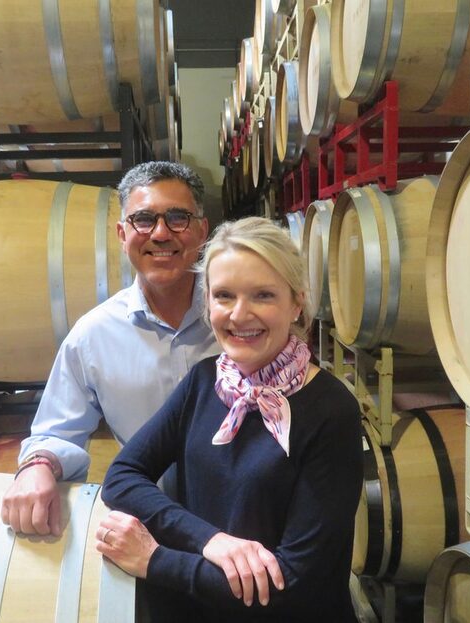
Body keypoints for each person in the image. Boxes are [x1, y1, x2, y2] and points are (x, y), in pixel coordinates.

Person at [96, 217, 364, 622]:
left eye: (263, 295)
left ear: (297, 303)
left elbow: (295, 584)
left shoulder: (331, 409)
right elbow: (122, 476)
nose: (240, 315)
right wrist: (210, 540)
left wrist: (155, 561)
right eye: (224, 296)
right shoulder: (205, 382)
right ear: (207, 304)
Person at [1, 161, 222, 536]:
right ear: (122, 234)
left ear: (202, 231)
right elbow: (56, 432)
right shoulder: (93, 336)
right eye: (143, 219)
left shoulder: (238, 318)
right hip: (152, 528)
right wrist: (37, 466)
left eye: (178, 218)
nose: (161, 233)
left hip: (244, 522)